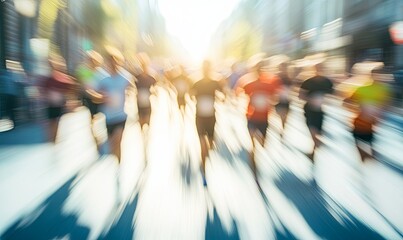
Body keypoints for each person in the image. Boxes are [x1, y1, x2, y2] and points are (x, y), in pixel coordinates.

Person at [236, 61, 282, 183]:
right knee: (252, 145)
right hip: (251, 117)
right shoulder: (248, 83)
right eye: (256, 69)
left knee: (262, 144)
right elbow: (239, 92)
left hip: (264, 118)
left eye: (261, 69)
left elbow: (275, 97)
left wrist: (270, 101)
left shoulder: (270, 84)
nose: (259, 71)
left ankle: (258, 145)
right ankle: (253, 169)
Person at [93, 48, 133, 161]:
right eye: (110, 61)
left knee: (118, 140)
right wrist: (101, 97)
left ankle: (118, 165)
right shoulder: (103, 80)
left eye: (115, 61)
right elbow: (96, 97)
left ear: (118, 61)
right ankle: (118, 162)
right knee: (114, 146)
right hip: (109, 117)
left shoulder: (125, 78)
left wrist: (130, 92)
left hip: (121, 115)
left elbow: (132, 88)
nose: (112, 64)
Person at [344, 67, 391, 162]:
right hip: (363, 118)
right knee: (361, 136)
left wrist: (378, 113)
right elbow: (347, 101)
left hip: (367, 120)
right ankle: (368, 154)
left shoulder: (380, 90)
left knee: (362, 136)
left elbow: (386, 105)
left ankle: (367, 154)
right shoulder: (365, 89)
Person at [191, 60, 223, 186]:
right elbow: (191, 94)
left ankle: (206, 156)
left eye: (207, 68)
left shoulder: (215, 82)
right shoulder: (196, 83)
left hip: (211, 118)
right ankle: (204, 172)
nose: (206, 70)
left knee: (209, 145)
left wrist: (219, 99)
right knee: (202, 146)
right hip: (199, 117)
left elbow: (223, 94)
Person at [299, 63, 333, 162]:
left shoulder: (327, 82)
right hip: (309, 110)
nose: (319, 70)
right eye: (318, 68)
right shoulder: (308, 82)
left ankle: (313, 153)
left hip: (320, 110)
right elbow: (300, 96)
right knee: (312, 131)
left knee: (317, 132)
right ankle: (317, 143)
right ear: (314, 69)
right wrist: (311, 99)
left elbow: (333, 95)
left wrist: (324, 99)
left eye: (322, 68)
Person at [44, 55, 78, 142]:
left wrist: (71, 100)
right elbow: (44, 89)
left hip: (59, 103)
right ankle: (51, 138)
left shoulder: (63, 77)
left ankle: (54, 137)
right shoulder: (48, 78)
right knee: (51, 121)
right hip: (50, 103)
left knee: (56, 121)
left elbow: (70, 87)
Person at [75, 50, 109, 116]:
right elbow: (86, 87)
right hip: (89, 96)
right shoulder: (83, 70)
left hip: (100, 95)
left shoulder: (101, 72)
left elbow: (107, 84)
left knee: (100, 114)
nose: (92, 62)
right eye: (90, 60)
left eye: (94, 60)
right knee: (92, 113)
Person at [135, 53, 157, 127]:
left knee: (147, 120)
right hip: (139, 102)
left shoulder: (151, 78)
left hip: (147, 101)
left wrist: (153, 92)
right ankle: (142, 133)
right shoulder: (137, 77)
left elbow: (155, 88)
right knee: (141, 120)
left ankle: (146, 134)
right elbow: (133, 88)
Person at [275, 62, 293, 139]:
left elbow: (291, 89)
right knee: (281, 116)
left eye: (285, 67)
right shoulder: (276, 77)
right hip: (278, 100)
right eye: (282, 67)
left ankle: (282, 128)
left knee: (284, 117)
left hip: (286, 100)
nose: (283, 69)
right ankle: (281, 128)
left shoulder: (289, 78)